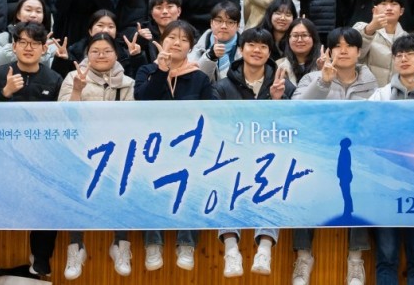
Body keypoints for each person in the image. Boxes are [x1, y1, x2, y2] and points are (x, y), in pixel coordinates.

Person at [292, 27, 376, 285]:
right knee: (300, 183)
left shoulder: (371, 83)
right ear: (328, 52)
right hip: (317, 154)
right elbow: (294, 110)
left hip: (356, 156)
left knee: (363, 184)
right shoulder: (312, 78)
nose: (343, 50)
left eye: (349, 45)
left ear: (359, 52)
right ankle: (303, 257)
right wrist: (324, 83)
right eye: (337, 46)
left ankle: (355, 260)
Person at [0, 22, 63, 279]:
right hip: (0, 153)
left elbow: (60, 121)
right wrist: (5, 92)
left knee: (52, 193)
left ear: (44, 49)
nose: (29, 48)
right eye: (23, 42)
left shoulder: (54, 79)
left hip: (41, 157)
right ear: (13, 46)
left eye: (35, 43)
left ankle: (41, 256)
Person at [211, 28, 292, 277]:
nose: (257, 50)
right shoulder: (222, 86)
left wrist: (277, 100)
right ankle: (231, 250)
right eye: (252, 45)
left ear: (269, 53)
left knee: (276, 176)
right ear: (241, 49)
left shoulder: (283, 84)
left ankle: (264, 249)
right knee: (224, 177)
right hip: (232, 155)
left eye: (263, 46)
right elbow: (215, 125)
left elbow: (291, 127)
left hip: (270, 155)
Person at [133, 21, 213, 271]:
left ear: (191, 46)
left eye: (184, 39)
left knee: (194, 181)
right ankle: (153, 243)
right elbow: (142, 100)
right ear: (162, 40)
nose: (177, 42)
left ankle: (186, 243)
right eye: (171, 37)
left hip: (189, 147)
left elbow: (210, 114)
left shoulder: (200, 77)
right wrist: (161, 71)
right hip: (152, 146)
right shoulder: (146, 70)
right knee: (148, 181)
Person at [58, 33, 136, 279]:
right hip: (80, 149)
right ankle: (76, 247)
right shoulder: (73, 77)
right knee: (76, 192)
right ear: (87, 54)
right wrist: (77, 90)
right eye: (95, 51)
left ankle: (121, 244)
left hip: (117, 149)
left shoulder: (128, 83)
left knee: (123, 188)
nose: (101, 55)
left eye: (107, 51)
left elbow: (131, 120)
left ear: (116, 54)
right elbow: (64, 117)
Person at [367, 34, 414, 285]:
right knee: (386, 257)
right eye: (398, 55)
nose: (403, 58)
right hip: (385, 184)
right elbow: (367, 130)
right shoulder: (380, 95)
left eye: (410, 54)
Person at [51, 9, 146, 84]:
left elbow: (137, 83)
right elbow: (59, 83)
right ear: (90, 31)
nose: (105, 30)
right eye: (100, 25)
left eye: (111, 27)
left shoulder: (124, 54)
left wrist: (136, 57)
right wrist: (61, 61)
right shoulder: (74, 52)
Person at [354, 0, 410, 87]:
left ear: (401, 11)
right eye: (383, 4)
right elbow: (356, 55)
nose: (389, 8)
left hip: (396, 92)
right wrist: (370, 29)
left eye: (394, 4)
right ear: (374, 10)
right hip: (368, 91)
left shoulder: (408, 38)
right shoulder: (361, 28)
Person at [0, 0, 55, 70]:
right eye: (28, 10)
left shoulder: (51, 44)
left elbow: (51, 73)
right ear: (18, 14)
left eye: (38, 11)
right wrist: (13, 49)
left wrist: (42, 53)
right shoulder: (2, 39)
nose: (33, 15)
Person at [190, 1, 242, 82]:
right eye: (219, 21)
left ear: (238, 26)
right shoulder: (197, 47)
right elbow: (195, 80)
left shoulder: (246, 48)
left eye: (230, 22)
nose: (224, 26)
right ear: (211, 23)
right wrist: (210, 56)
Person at [277, 18, 322, 84]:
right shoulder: (278, 65)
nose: (300, 40)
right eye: (295, 36)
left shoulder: (324, 64)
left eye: (304, 35)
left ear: (314, 38)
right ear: (288, 38)